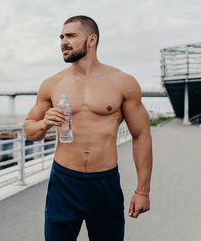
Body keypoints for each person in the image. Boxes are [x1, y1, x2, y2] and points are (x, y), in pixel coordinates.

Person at [23, 15, 153, 241]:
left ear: (91, 40)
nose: (63, 41)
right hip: (64, 182)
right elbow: (28, 130)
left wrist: (143, 190)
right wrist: (44, 123)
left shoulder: (123, 82)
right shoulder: (52, 84)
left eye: (70, 35)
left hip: (105, 183)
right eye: (61, 36)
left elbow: (141, 135)